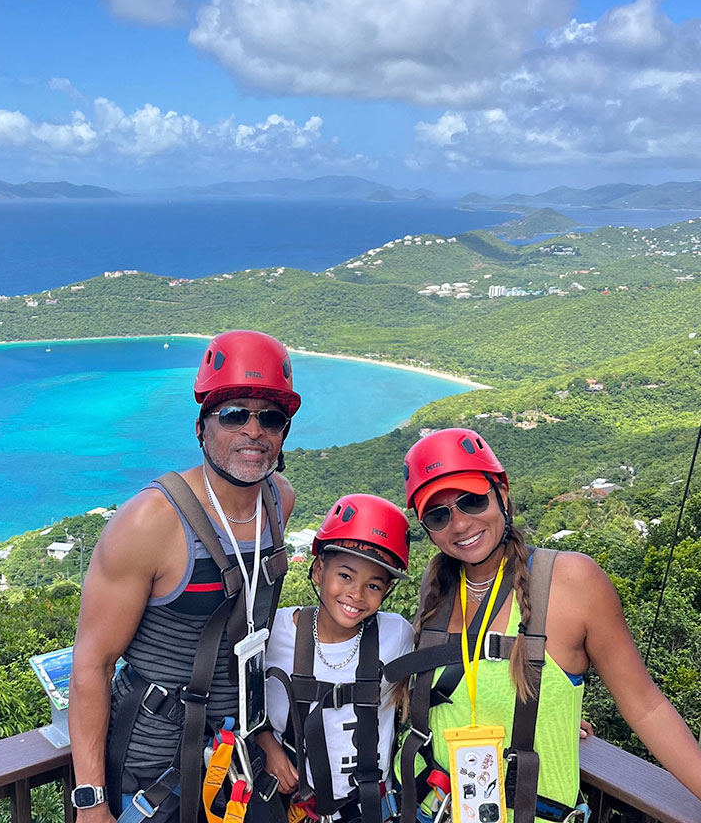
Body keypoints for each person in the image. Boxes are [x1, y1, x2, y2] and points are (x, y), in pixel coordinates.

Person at [392, 427, 701, 823]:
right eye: (438, 515)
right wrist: (549, 714)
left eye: (471, 500)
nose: (459, 524)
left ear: (501, 495)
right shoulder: (438, 588)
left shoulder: (571, 581)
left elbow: (646, 707)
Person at [69, 331, 300, 823]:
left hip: (236, 755)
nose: (254, 431)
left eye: (271, 417)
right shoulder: (151, 522)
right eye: (235, 414)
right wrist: (90, 800)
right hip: (153, 767)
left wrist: (261, 736)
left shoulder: (279, 501)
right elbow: (92, 661)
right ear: (202, 427)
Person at [257, 494, 415, 823]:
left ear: (386, 592)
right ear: (318, 571)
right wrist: (268, 745)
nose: (356, 594)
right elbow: (240, 704)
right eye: (345, 576)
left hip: (371, 808)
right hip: (295, 807)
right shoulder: (275, 634)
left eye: (373, 585)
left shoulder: (397, 635)